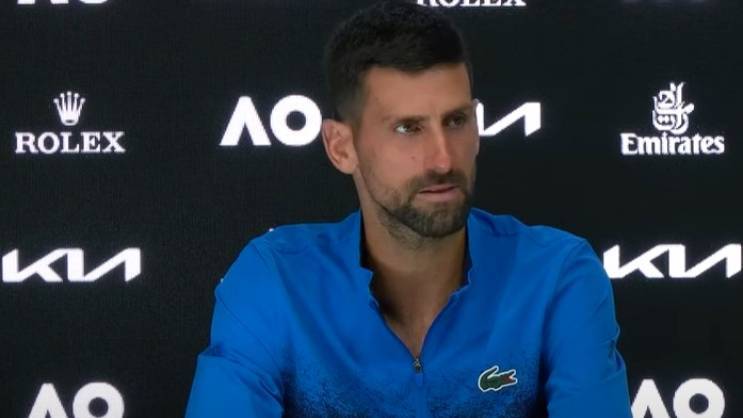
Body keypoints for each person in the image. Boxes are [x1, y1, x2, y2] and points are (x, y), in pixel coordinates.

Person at [185, 1, 632, 417]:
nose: (443, 159)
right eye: (407, 128)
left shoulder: (558, 277)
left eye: (456, 121)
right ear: (341, 147)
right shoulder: (275, 281)